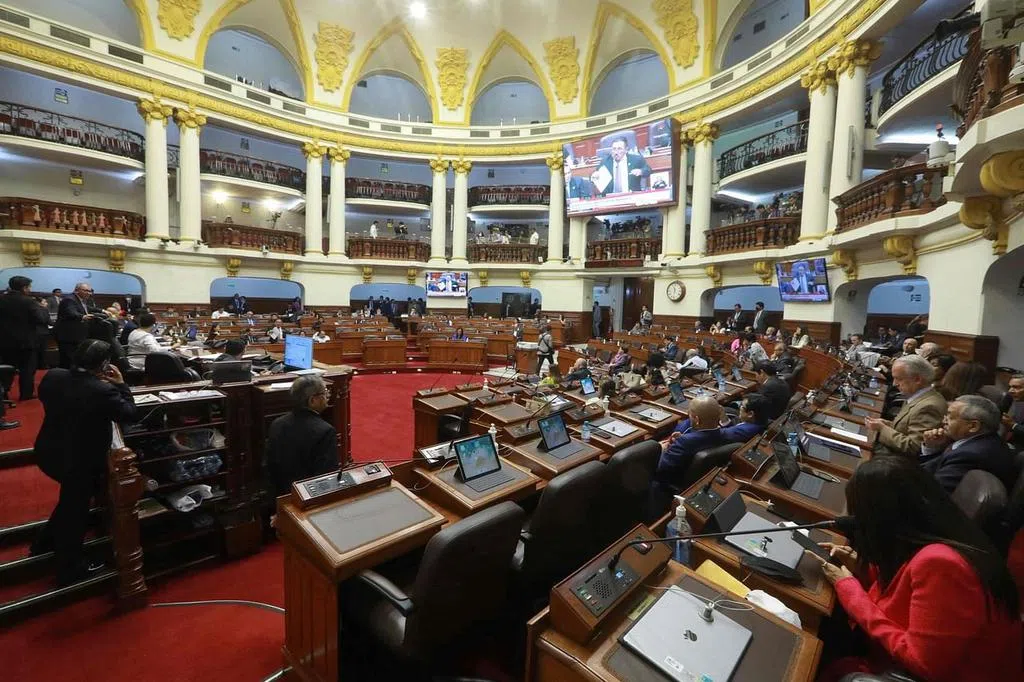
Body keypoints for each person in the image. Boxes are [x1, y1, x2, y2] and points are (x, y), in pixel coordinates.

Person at [812, 456, 1021, 682]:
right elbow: (906, 592)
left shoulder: (943, 565)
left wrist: (850, 591)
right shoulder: (935, 530)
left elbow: (924, 663)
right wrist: (865, 570)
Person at [32, 340, 138, 585]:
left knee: (70, 501)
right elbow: (130, 413)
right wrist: (121, 384)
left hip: (49, 450)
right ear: (104, 364)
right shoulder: (102, 391)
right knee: (76, 511)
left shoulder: (53, 376)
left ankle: (44, 543)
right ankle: (70, 568)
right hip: (80, 459)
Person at [919, 395, 1017, 493]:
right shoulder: (982, 440)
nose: (944, 421)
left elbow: (931, 492)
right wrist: (931, 448)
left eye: (950, 417)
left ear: (973, 426)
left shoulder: (970, 455)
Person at [265, 375, 338, 497]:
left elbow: (270, 466)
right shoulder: (325, 431)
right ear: (312, 400)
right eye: (325, 392)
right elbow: (326, 476)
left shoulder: (277, 423)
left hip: (279, 495)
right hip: (308, 497)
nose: (328, 396)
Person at [865, 355, 947, 458]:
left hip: (895, 460)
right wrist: (888, 424)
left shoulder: (929, 407)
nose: (894, 384)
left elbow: (914, 447)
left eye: (898, 379)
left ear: (917, 379)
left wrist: (882, 429)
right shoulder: (917, 396)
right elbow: (906, 428)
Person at [653, 397, 726, 492]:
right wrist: (684, 438)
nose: (688, 416)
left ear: (697, 419)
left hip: (674, 485)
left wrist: (661, 449)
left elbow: (661, 469)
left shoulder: (684, 442)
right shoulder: (726, 434)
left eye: (690, 414)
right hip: (703, 479)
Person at [0, 275, 50, 401]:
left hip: (5, 341)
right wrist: (43, 308)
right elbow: (41, 319)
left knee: (7, 369)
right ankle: (26, 394)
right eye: (29, 287)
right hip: (26, 342)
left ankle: (4, 392)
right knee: (27, 369)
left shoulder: (2, 299)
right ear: (24, 288)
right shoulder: (29, 301)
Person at [668, 393, 771, 446]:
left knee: (688, 422)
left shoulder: (743, 431)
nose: (739, 407)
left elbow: (710, 435)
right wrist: (724, 418)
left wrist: (683, 437)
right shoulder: (758, 424)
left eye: (742, 406)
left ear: (750, 414)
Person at [53, 281, 101, 368]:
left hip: (76, 335)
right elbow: (71, 312)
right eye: (86, 291)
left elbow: (87, 308)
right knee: (68, 360)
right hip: (68, 336)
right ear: (77, 290)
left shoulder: (79, 300)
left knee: (74, 359)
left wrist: (102, 310)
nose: (89, 293)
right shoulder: (69, 299)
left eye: (90, 291)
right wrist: (83, 316)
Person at [1001, 373, 1024, 450]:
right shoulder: (1010, 397)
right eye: (1010, 387)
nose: (1010, 391)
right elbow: (998, 412)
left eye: (1016, 387)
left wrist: (1013, 425)